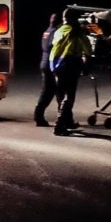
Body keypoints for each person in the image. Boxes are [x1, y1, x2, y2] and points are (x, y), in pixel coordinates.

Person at [49, 8, 92, 136]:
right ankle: (59, 125)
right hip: (69, 63)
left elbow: (54, 44)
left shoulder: (59, 30)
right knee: (69, 96)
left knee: (61, 95)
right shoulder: (77, 31)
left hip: (55, 64)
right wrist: (87, 65)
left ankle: (67, 121)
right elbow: (87, 49)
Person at [32, 13, 63, 127]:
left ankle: (39, 116)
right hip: (51, 64)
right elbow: (52, 46)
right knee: (57, 92)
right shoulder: (55, 32)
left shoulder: (47, 31)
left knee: (48, 92)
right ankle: (63, 118)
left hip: (45, 62)